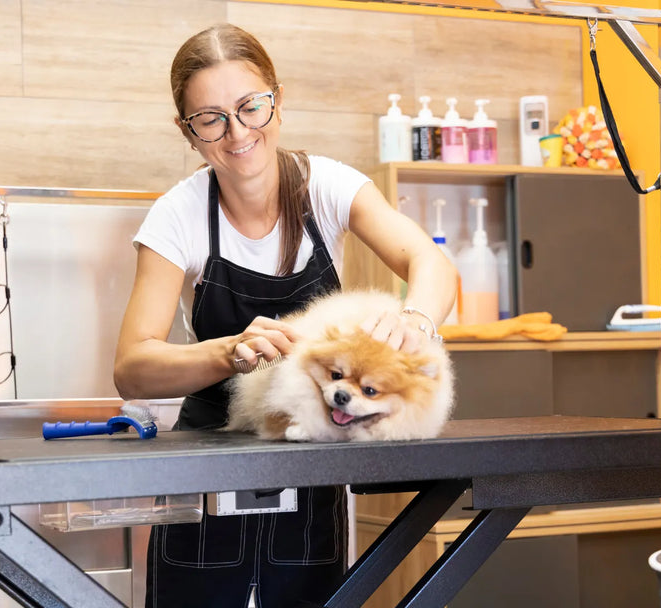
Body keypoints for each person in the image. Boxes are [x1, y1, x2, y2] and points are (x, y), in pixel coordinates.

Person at [114, 23, 457, 608]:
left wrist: (417, 321)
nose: (238, 131)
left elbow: (429, 260)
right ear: (188, 132)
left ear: (277, 100)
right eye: (211, 118)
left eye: (251, 107)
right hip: (208, 469)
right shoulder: (177, 216)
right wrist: (226, 352)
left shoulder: (328, 187)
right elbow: (133, 368)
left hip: (312, 465)